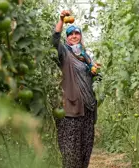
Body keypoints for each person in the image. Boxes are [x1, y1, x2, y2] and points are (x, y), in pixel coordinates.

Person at [51, 10, 100, 168]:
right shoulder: (65, 53)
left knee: (85, 149)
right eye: (70, 34)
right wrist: (61, 20)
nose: (74, 36)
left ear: (80, 36)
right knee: (70, 151)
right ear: (67, 38)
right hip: (71, 109)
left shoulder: (86, 57)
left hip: (88, 110)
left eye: (76, 33)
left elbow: (92, 80)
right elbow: (54, 41)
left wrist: (96, 71)